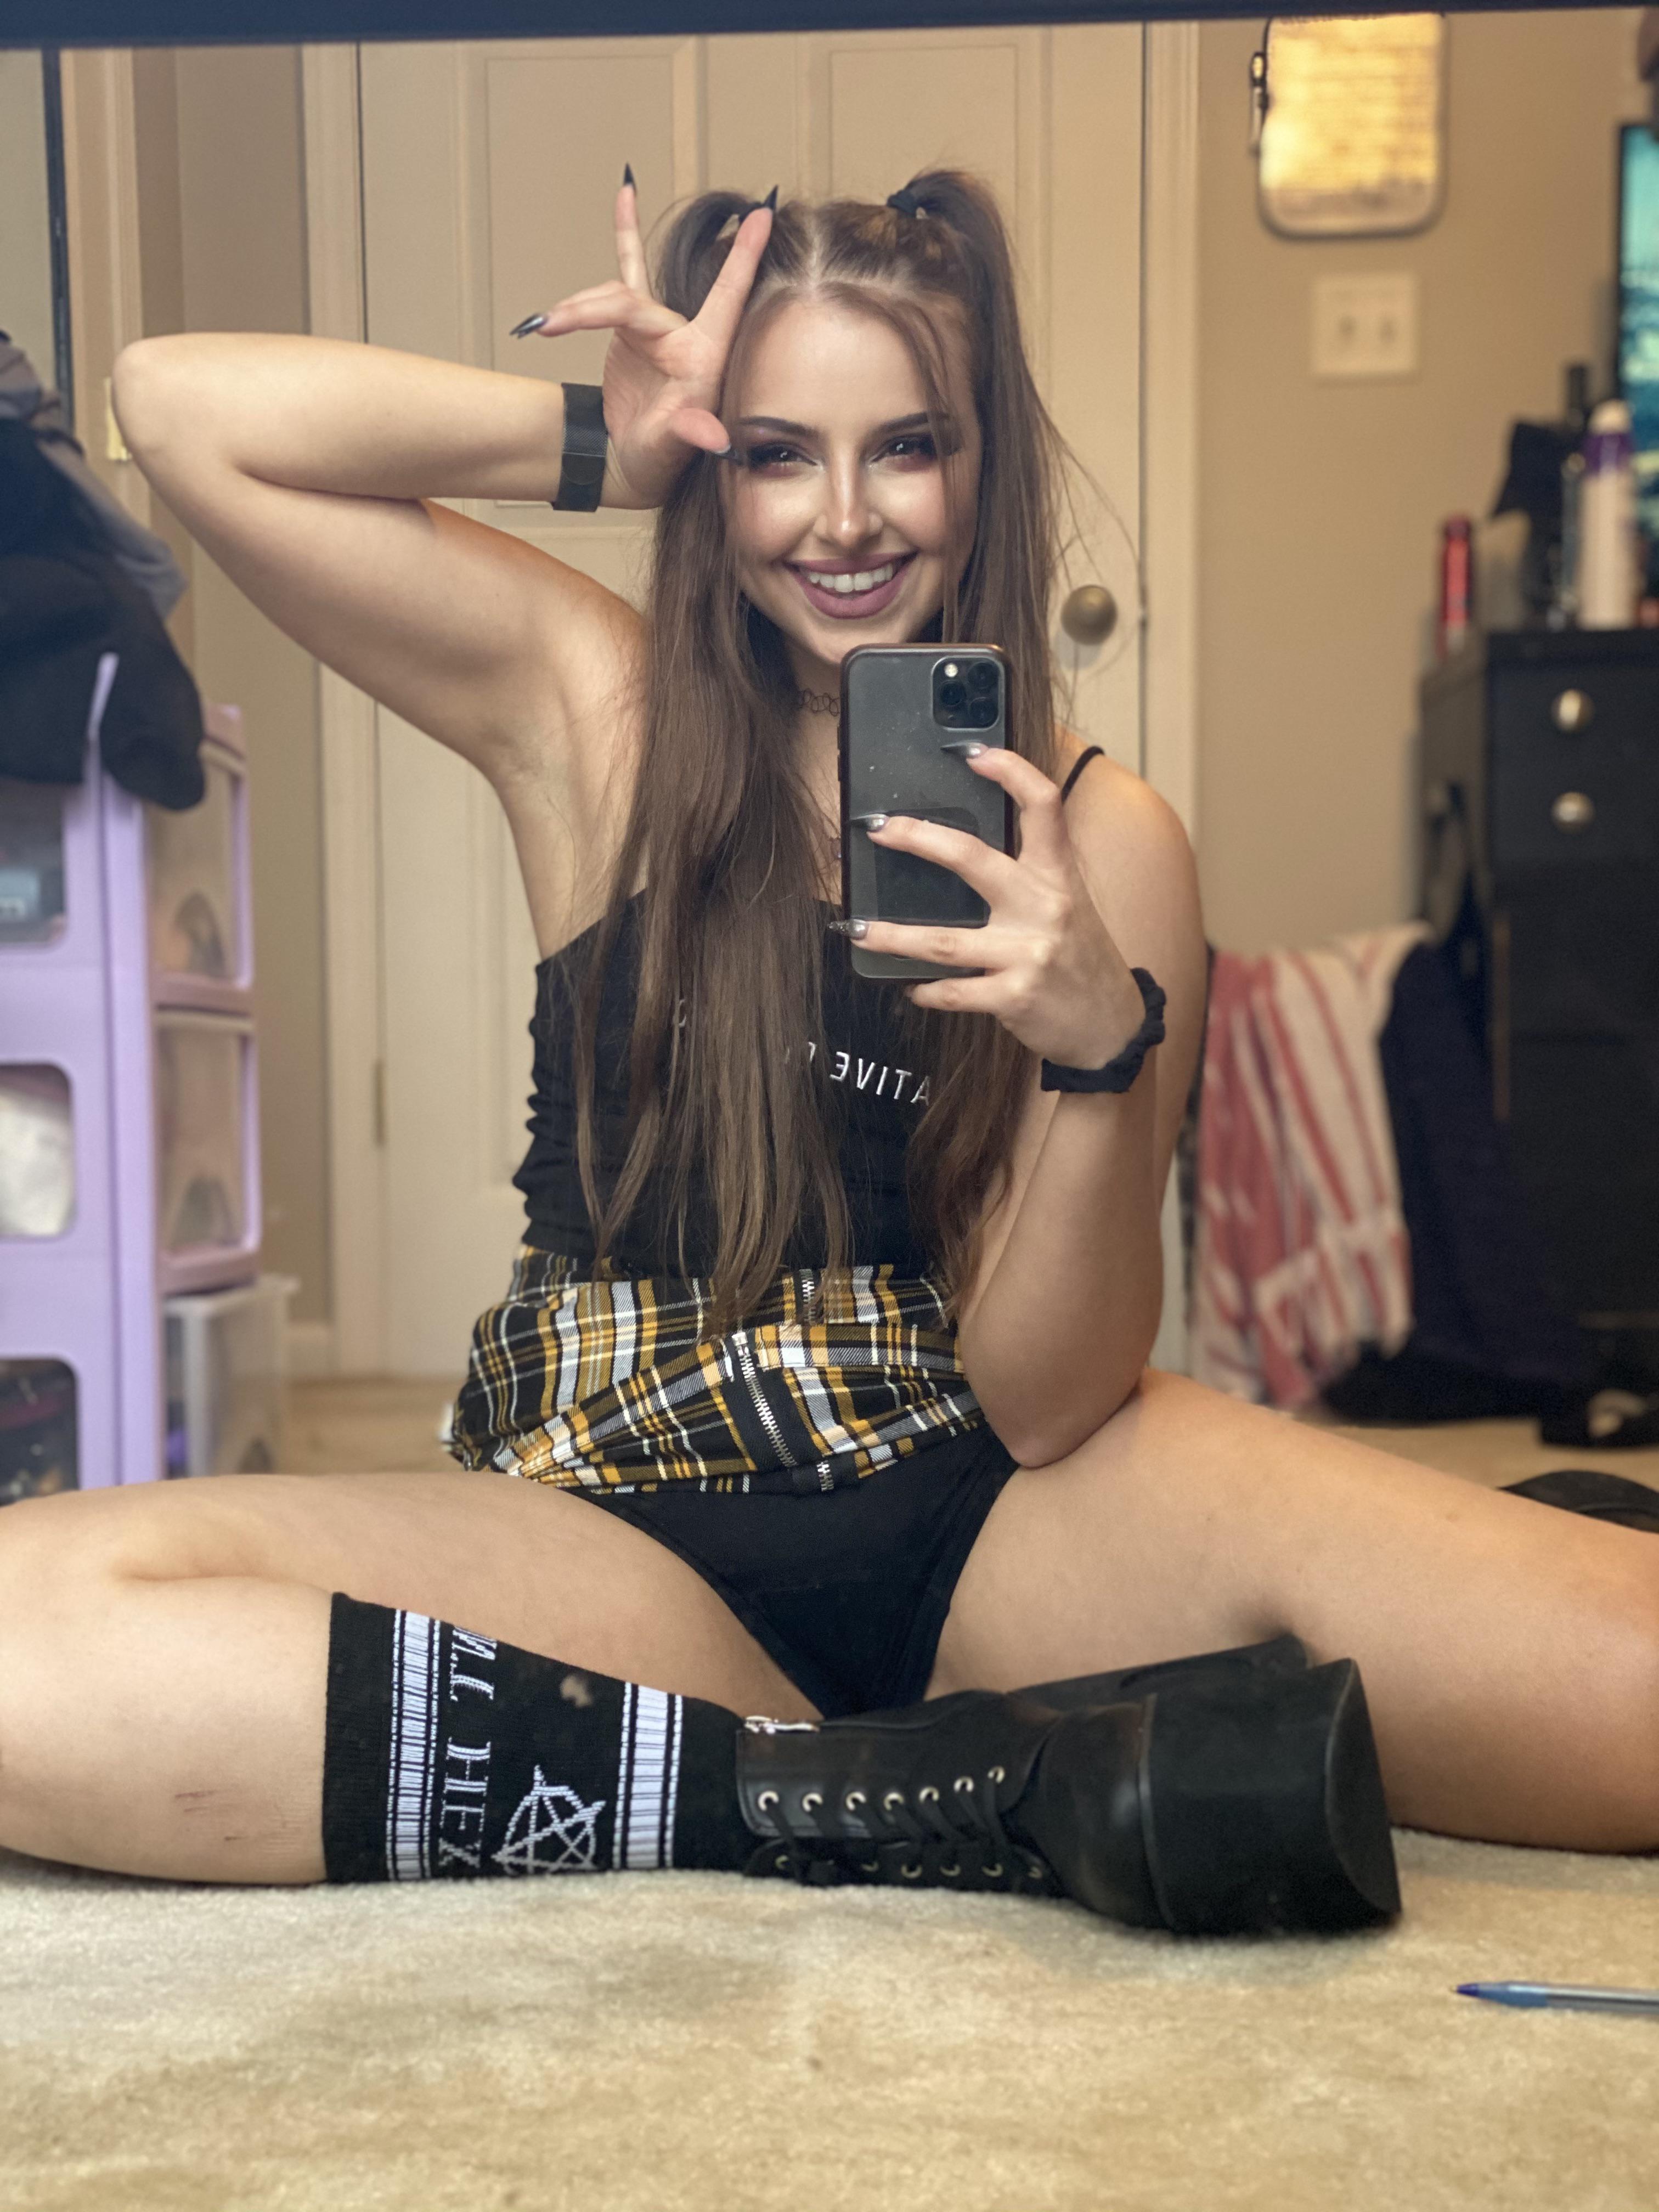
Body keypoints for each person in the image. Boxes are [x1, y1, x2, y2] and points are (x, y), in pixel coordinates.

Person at [1, 174, 1654, 1928]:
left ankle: (804, 1757)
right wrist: (609, 442)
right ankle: (835, 1791)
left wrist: (1099, 1053)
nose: (845, 520)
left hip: (987, 1498)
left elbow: (1049, 1398)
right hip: (616, 1514)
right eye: (779, 452)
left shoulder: (1108, 841)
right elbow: (180, 411)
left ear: (982, 461)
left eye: (908, 448)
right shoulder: (595, 708)